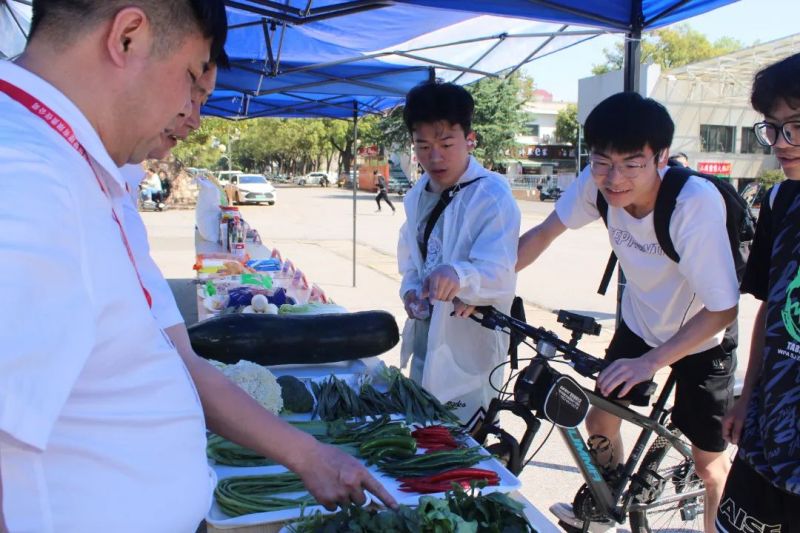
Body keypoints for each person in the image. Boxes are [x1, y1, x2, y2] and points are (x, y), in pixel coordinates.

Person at [0, 2, 393, 531]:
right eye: (190, 76)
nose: (193, 114)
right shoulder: (22, 177)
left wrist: (310, 456)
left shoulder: (84, 174)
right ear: (129, 37)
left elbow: (176, 358)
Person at [516, 92, 738, 533]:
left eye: (632, 164)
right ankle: (605, 510)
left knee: (710, 464)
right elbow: (543, 233)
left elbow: (724, 309)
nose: (613, 178)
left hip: (701, 334)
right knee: (598, 420)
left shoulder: (693, 204)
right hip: (640, 322)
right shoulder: (595, 180)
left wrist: (652, 362)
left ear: (661, 157)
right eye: (602, 161)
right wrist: (481, 286)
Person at [397, 81, 520, 426]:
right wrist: (410, 290)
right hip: (426, 337)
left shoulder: (491, 196)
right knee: (423, 435)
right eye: (423, 145)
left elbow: (500, 272)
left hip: (469, 348)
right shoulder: (418, 194)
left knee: (466, 448)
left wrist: (460, 276)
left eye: (446, 144)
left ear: (470, 139)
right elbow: (411, 256)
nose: (434, 157)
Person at [716, 52, 800, 532]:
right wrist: (747, 397)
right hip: (768, 431)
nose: (781, 143)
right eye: (773, 127)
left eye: (796, 125)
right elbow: (772, 307)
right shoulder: (781, 199)